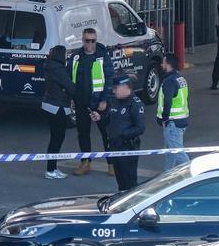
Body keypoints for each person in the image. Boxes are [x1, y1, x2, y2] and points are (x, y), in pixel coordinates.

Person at [69, 27, 114, 176]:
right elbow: (70, 78)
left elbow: (109, 80)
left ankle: (112, 164)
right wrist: (72, 98)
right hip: (82, 102)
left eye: (93, 41)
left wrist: (105, 100)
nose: (90, 44)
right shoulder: (76, 57)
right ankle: (85, 163)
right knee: (83, 133)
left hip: (99, 103)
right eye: (87, 40)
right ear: (82, 40)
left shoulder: (103, 57)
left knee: (106, 134)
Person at [92, 76, 145, 192]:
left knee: (130, 181)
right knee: (120, 181)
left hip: (128, 148)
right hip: (115, 146)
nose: (113, 90)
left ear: (126, 87)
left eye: (116, 88)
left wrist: (122, 134)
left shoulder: (135, 104)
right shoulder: (115, 101)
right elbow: (109, 119)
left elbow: (140, 128)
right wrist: (100, 118)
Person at [40, 45, 75, 180]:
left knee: (55, 138)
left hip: (49, 105)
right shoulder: (59, 70)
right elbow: (70, 87)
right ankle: (50, 170)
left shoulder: (50, 67)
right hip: (58, 107)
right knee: (57, 139)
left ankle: (53, 168)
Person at [156, 53, 190, 169]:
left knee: (177, 152)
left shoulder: (169, 81)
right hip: (180, 120)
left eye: (163, 62)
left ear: (168, 64)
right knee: (171, 153)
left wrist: (163, 118)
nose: (161, 65)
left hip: (172, 122)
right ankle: (167, 177)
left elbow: (168, 101)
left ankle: (190, 174)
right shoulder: (180, 79)